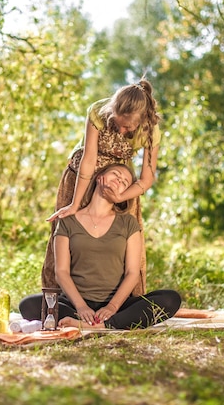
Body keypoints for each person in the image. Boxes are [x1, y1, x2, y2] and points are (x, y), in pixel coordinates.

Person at [19, 164, 181, 330]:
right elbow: (61, 272)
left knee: (170, 299)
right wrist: (81, 307)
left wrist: (112, 307)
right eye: (115, 174)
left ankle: (101, 325)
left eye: (125, 182)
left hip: (117, 305)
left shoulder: (128, 223)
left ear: (124, 194)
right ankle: (94, 322)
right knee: (29, 305)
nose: (119, 180)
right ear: (99, 177)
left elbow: (132, 273)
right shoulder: (68, 221)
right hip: (76, 304)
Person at [42, 78, 161, 297]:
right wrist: (74, 204)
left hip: (119, 185)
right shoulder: (98, 111)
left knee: (125, 240)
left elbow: (146, 179)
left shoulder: (150, 130)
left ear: (141, 120)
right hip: (80, 179)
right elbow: (89, 160)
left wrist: (120, 196)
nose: (122, 131)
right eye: (118, 124)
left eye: (128, 128)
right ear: (112, 110)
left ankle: (124, 301)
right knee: (65, 231)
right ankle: (55, 303)